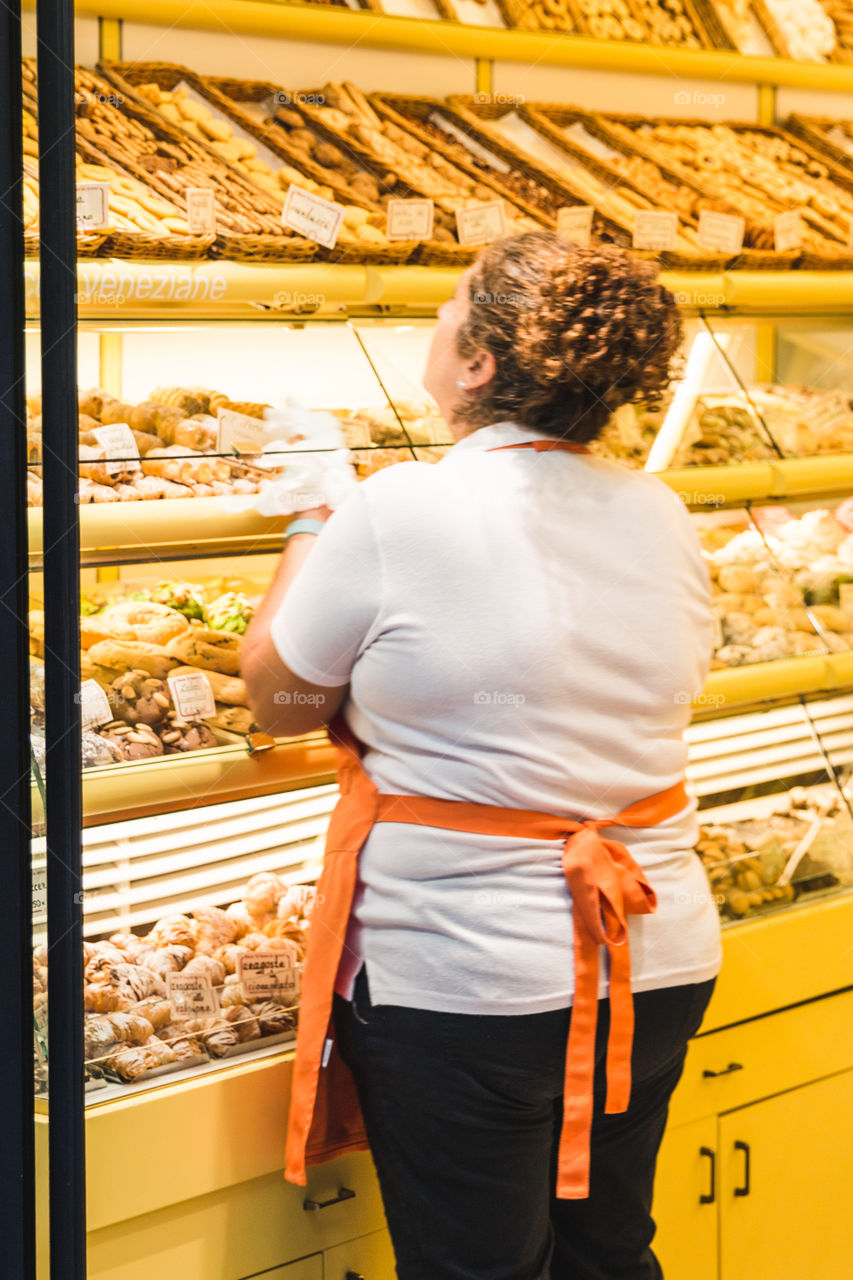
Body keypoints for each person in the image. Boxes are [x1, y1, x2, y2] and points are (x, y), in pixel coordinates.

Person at [243, 231, 722, 1280]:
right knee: (607, 1251)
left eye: (449, 309)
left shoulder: (399, 505)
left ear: (478, 365)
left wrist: (312, 521)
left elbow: (276, 696)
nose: (437, 322)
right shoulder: (659, 506)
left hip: (472, 979)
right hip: (656, 949)